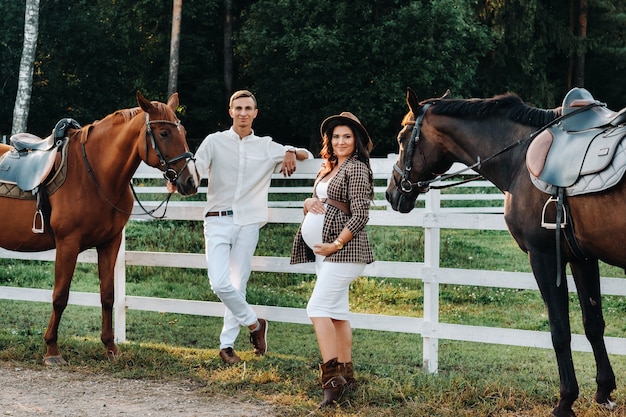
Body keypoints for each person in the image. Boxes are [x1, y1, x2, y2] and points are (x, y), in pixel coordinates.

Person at [193, 90, 312, 364]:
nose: (243, 113)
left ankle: (227, 346)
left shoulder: (267, 146)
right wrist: (175, 181)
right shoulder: (214, 141)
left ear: (255, 113)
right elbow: (195, 170)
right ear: (230, 111)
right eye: (238, 108)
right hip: (217, 219)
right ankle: (255, 325)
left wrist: (291, 151)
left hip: (248, 222)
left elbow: (307, 153)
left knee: (238, 284)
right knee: (220, 283)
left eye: (248, 108)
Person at [290, 112, 374, 407]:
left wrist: (336, 244)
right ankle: (348, 375)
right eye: (336, 136)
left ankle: (332, 379)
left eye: (347, 137)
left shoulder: (357, 169)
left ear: (357, 140)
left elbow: (361, 215)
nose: (341, 141)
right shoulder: (329, 167)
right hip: (324, 253)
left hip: (345, 252)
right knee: (337, 313)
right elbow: (319, 201)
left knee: (316, 307)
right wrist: (307, 202)